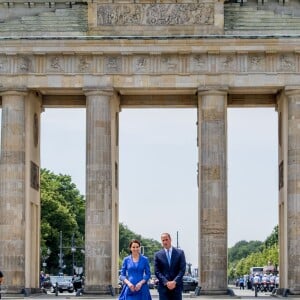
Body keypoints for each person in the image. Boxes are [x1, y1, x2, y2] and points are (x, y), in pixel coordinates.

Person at [154, 233, 186, 300]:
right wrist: (166, 282)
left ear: (170, 239)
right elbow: (157, 271)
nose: (165, 242)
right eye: (163, 240)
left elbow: (182, 269)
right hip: (163, 289)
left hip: (176, 288)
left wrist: (174, 282)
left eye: (166, 239)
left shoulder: (180, 253)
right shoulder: (157, 255)